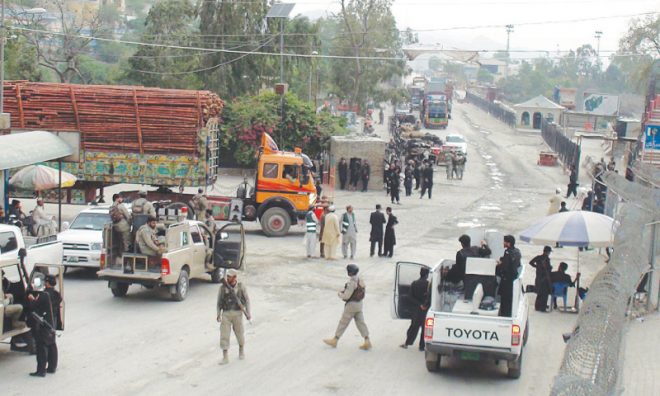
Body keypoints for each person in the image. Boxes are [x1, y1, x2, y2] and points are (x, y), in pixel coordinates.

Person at [323, 264, 371, 350]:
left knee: (343, 322)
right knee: (361, 323)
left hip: (351, 305)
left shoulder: (352, 283)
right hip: (359, 304)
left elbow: (346, 296)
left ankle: (335, 339)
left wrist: (340, 294)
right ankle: (367, 340)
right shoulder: (360, 279)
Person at [216, 269, 251, 365]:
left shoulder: (240, 287)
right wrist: (218, 314)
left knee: (240, 333)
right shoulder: (223, 288)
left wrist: (248, 313)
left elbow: (247, 300)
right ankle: (225, 357)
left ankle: (241, 350)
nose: (227, 278)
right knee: (224, 335)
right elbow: (219, 302)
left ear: (235, 277)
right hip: (226, 313)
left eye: (229, 277)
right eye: (227, 276)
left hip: (238, 313)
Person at [27, 275, 57, 377]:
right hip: (52, 323)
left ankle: (41, 371)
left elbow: (34, 306)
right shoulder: (56, 294)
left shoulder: (44, 295)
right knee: (52, 344)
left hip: (44, 324)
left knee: (41, 347)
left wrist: (31, 299)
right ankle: (52, 367)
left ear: (47, 283)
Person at [400, 267, 429, 350]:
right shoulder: (428, 284)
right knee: (424, 328)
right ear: (427, 275)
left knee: (413, 327)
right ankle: (422, 346)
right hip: (425, 310)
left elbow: (410, 296)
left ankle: (407, 343)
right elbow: (430, 297)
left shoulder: (414, 283)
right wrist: (425, 305)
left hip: (416, 309)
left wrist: (419, 304)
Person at [496, 235, 521, 317]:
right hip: (513, 279)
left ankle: (504, 315)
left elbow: (505, 267)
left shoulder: (507, 252)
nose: (503, 243)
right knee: (510, 300)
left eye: (504, 241)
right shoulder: (517, 251)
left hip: (506, 280)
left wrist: (500, 264)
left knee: (505, 300)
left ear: (508, 243)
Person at [529, 246, 553, 312]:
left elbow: (530, 262)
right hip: (545, 278)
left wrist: (537, 267)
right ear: (547, 252)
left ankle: (537, 306)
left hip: (538, 277)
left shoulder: (538, 257)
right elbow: (548, 269)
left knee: (539, 292)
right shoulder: (546, 259)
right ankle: (543, 307)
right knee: (545, 293)